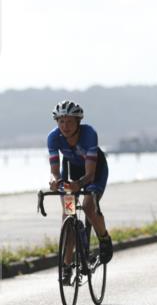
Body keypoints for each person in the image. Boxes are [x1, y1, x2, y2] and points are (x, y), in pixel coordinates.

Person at [47, 100, 113, 281]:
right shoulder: (53, 137)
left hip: (95, 171)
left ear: (78, 122)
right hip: (71, 171)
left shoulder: (89, 134)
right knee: (68, 214)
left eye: (69, 121)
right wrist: (54, 181)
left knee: (88, 206)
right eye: (61, 121)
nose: (65, 126)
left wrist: (79, 184)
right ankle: (67, 266)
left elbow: (89, 175)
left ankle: (104, 238)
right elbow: (54, 172)